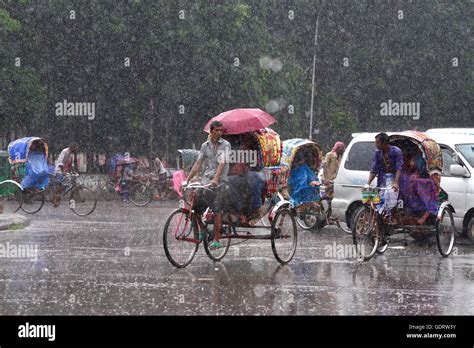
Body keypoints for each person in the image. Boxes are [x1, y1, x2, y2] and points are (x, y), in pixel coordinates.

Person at [183, 121, 230, 249]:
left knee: (216, 209)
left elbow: (222, 163)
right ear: (211, 131)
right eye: (217, 130)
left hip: (220, 182)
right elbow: (198, 163)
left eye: (221, 130)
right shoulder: (205, 146)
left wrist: (215, 180)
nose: (219, 132)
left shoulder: (226, 145)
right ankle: (203, 229)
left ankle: (216, 239)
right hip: (206, 180)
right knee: (193, 206)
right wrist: (187, 180)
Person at [367, 133, 403, 224]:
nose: (376, 145)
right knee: (371, 194)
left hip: (393, 178)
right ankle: (377, 213)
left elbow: (399, 168)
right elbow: (374, 168)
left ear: (384, 143)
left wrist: (396, 183)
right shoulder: (378, 153)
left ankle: (391, 215)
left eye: (377, 143)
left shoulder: (396, 151)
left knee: (389, 194)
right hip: (381, 178)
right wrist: (368, 183)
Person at [322, 141, 345, 217]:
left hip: (336, 178)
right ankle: (325, 209)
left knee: (334, 196)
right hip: (329, 178)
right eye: (341, 148)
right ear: (337, 148)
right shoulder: (330, 155)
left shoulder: (341, 156)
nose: (342, 149)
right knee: (330, 195)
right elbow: (325, 167)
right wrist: (325, 179)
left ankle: (329, 212)